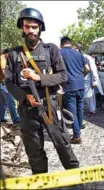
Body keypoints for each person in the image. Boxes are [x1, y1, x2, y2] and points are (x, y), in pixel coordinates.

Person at [4, 8, 81, 182]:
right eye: (27, 27)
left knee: (62, 144)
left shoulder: (51, 49)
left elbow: (63, 76)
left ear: (40, 28)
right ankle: (41, 183)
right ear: (22, 28)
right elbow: (9, 82)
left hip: (49, 106)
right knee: (34, 150)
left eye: (34, 27)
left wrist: (39, 77)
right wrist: (24, 97)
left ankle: (75, 180)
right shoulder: (15, 54)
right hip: (27, 109)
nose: (30, 30)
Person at [60, 37, 89, 144]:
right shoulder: (79, 54)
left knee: (72, 112)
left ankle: (77, 136)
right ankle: (78, 129)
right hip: (81, 85)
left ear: (61, 44)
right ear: (70, 44)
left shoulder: (59, 53)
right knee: (80, 108)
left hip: (69, 86)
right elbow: (87, 68)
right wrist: (81, 76)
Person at [74, 43, 104, 116]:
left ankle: (92, 110)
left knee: (90, 96)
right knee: (85, 97)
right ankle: (87, 110)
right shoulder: (77, 57)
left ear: (78, 49)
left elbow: (93, 70)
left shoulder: (87, 57)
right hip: (81, 80)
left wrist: (94, 81)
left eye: (74, 49)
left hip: (88, 79)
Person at [0, 49, 20, 129]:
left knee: (2, 103)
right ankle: (16, 120)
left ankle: (2, 119)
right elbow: (4, 70)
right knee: (11, 102)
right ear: (6, 53)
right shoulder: (3, 59)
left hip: (1, 83)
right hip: (4, 83)